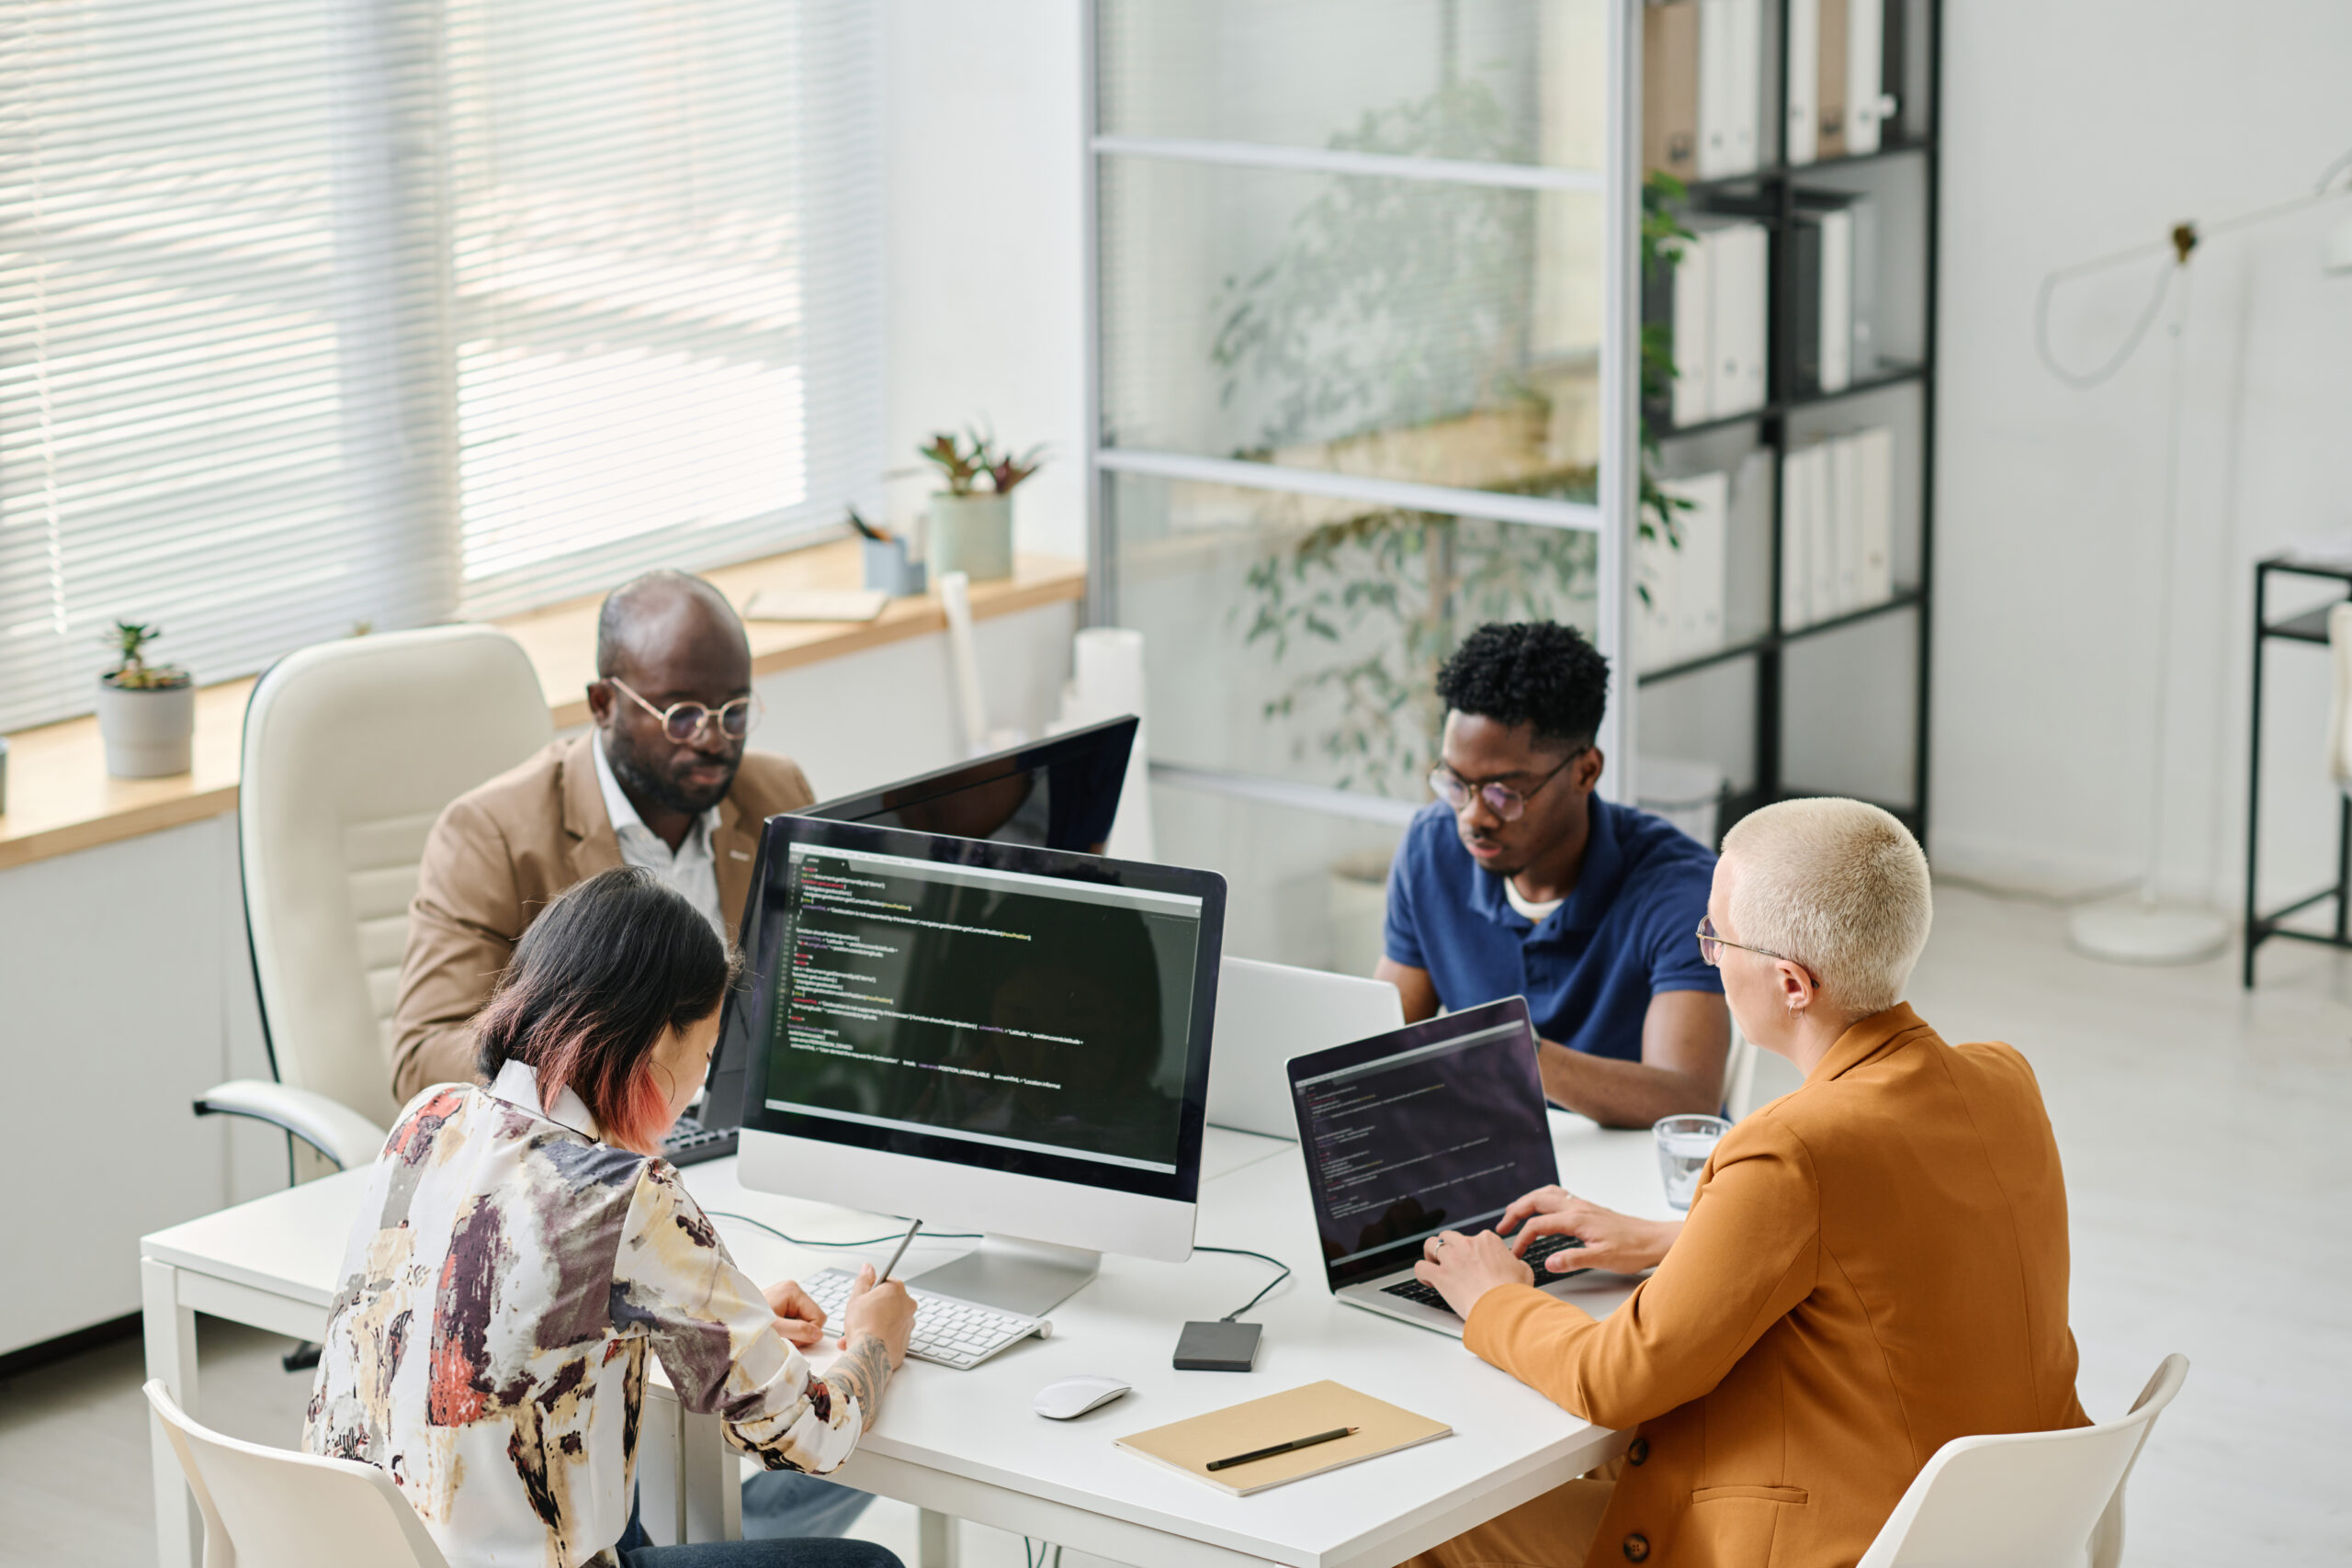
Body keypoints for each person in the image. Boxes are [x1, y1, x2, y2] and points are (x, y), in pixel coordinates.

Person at [1407, 799, 2088, 1568]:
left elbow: (1614, 1378)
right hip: (1990, 1535)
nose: (1711, 957)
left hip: (1829, 1543)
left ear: (1793, 982)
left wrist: (1492, 1295)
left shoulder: (1790, 1150)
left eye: (1716, 936)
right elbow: (1893, 1234)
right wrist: (1679, 1240)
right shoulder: (2004, 1076)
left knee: (1418, 1522)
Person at [390, 570, 857, 1541]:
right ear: (605, 702)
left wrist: (685, 1303)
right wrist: (881, 1342)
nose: (714, 736)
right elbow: (819, 1432)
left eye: (734, 710)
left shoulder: (418, 1138)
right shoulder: (490, 832)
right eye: (684, 710)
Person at [309, 868, 919, 1568]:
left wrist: (714, 1314)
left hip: (370, 1550)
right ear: (660, 1041)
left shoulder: (425, 1119)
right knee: (870, 1566)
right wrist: (873, 1343)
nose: (700, 1083)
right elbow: (810, 1434)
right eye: (709, 1051)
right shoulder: (624, 1194)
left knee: (619, 1505)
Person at [1376, 622, 1729, 1127]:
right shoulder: (1433, 849)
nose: (1473, 816)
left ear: (1585, 771)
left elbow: (1688, 1100)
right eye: (1456, 784)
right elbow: (1387, 1043)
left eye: (1504, 792)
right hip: (1487, 1150)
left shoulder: (1678, 890)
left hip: (1626, 1174)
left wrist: (1509, 1048)